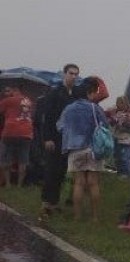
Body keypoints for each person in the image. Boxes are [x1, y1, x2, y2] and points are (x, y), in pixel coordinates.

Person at [56, 77, 110, 222]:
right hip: (93, 149)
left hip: (75, 148)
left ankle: (77, 216)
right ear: (89, 93)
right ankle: (95, 217)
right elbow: (105, 125)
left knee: (79, 182)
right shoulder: (95, 108)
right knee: (93, 182)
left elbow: (60, 126)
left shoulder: (69, 108)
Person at [36, 63, 80, 220]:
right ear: (64, 74)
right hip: (54, 138)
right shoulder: (55, 93)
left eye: (76, 74)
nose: (73, 76)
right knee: (51, 171)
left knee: (61, 172)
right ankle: (46, 203)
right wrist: (47, 138)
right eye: (71, 73)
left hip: (68, 140)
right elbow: (47, 117)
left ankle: (54, 202)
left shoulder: (75, 95)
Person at [0, 85, 35, 187]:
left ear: (15, 90)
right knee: (23, 160)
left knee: (6, 158)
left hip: (10, 132)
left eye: (8, 90)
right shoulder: (28, 100)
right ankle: (19, 185)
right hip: (26, 133)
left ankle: (8, 183)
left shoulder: (9, 100)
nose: (7, 92)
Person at [106, 95, 130, 179]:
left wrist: (125, 123)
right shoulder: (116, 112)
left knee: (125, 157)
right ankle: (121, 173)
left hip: (127, 138)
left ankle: (129, 174)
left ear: (124, 103)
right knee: (117, 156)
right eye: (117, 103)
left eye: (119, 103)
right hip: (117, 137)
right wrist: (111, 118)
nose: (117, 105)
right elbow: (112, 122)